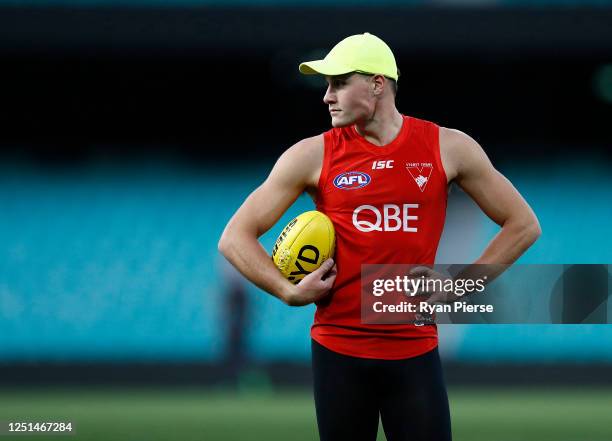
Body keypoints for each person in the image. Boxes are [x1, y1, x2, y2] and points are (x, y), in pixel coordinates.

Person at [218, 32, 540, 441]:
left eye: (339, 83)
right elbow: (234, 237)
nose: (326, 97)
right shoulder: (312, 154)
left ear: (376, 84)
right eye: (326, 85)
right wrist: (288, 291)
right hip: (337, 352)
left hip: (416, 351)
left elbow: (523, 224)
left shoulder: (448, 148)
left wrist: (459, 285)